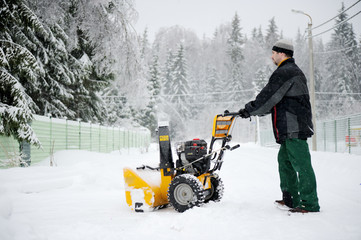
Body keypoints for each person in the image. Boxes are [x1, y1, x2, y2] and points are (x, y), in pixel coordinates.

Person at [236, 39, 320, 213]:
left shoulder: (286, 72)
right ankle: (291, 199)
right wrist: (252, 111)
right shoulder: (289, 72)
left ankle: (310, 203)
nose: (271, 56)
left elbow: (268, 97)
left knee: (301, 165)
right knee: (285, 162)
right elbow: (276, 102)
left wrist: (248, 110)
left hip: (294, 126)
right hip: (289, 127)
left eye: (273, 53)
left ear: (282, 53)